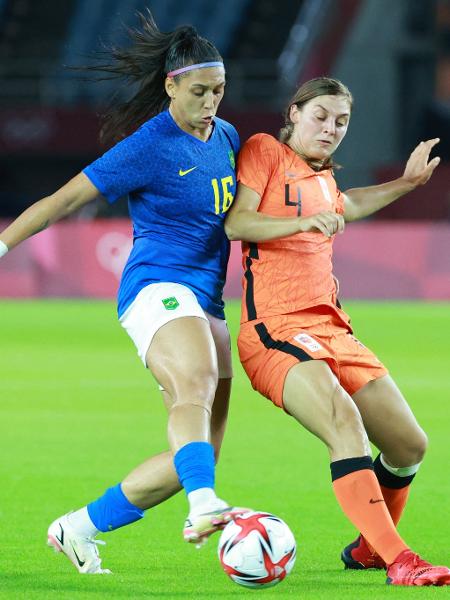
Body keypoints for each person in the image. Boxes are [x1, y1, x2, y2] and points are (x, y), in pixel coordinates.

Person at [0, 12, 246, 574]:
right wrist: (2, 247)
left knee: (201, 451)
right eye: (201, 91)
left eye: (220, 91)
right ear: (171, 85)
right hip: (157, 287)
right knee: (196, 387)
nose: (212, 102)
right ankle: (202, 504)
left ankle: (77, 528)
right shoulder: (147, 145)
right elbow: (60, 202)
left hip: (207, 301)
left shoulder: (227, 136)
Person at [224, 77, 450, 587]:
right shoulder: (267, 151)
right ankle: (400, 560)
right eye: (321, 115)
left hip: (333, 329)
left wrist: (407, 185)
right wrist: (305, 223)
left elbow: (349, 205)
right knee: (343, 422)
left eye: (341, 121)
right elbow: (239, 224)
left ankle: (369, 549)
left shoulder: (322, 179)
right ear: (295, 112)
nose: (331, 128)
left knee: (409, 445)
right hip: (275, 329)